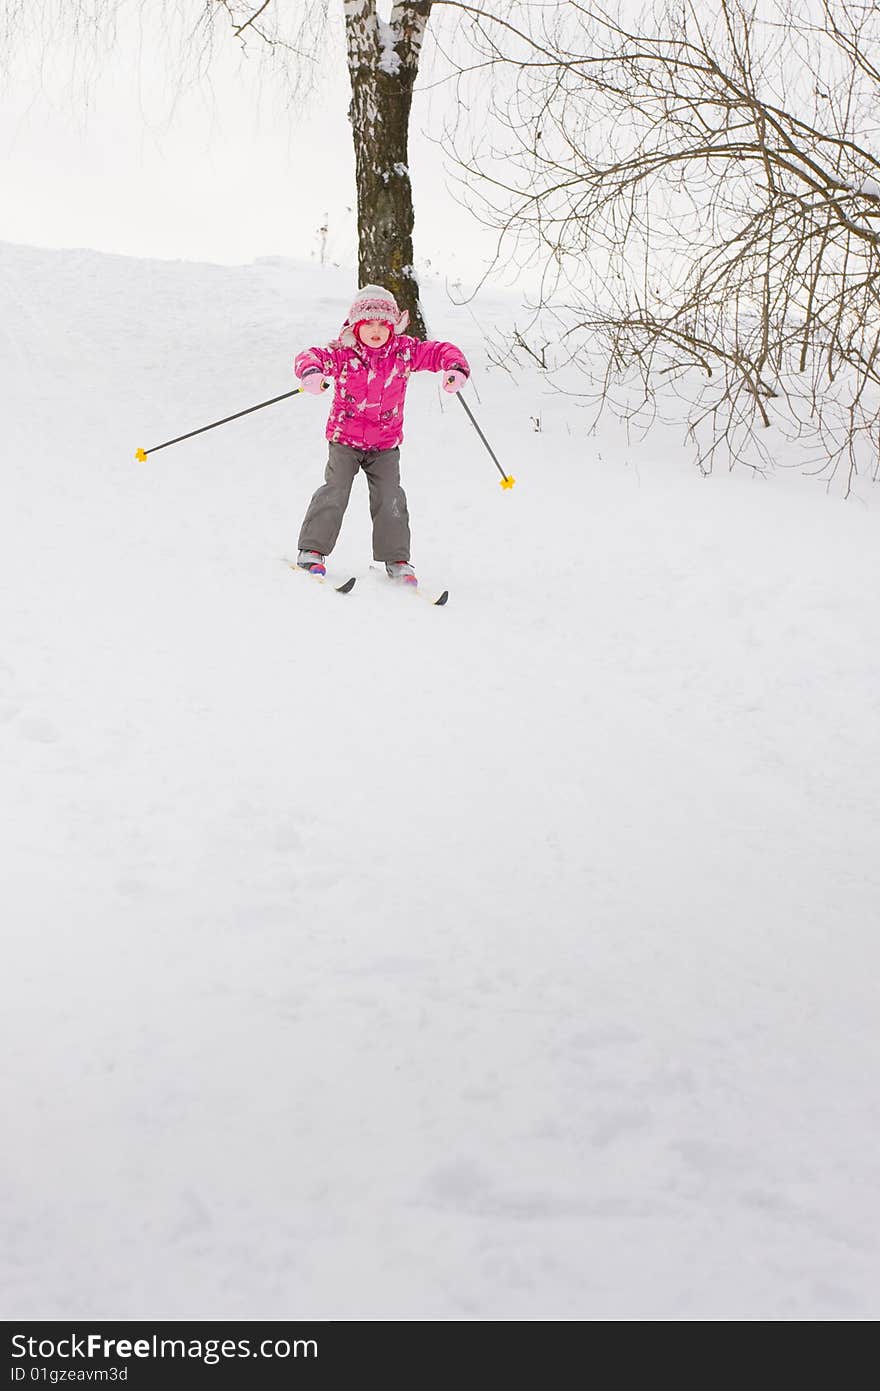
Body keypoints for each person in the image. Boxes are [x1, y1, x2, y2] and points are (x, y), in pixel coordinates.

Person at [294, 285, 470, 586]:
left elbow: (440, 351)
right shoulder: (345, 354)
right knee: (335, 490)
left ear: (393, 326)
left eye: (383, 324)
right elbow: (310, 356)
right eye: (369, 324)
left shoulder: (404, 352)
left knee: (391, 497)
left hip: (385, 445)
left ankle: (397, 560)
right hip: (345, 440)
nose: (376, 331)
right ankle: (312, 551)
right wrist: (312, 373)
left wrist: (455, 368)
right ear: (356, 326)